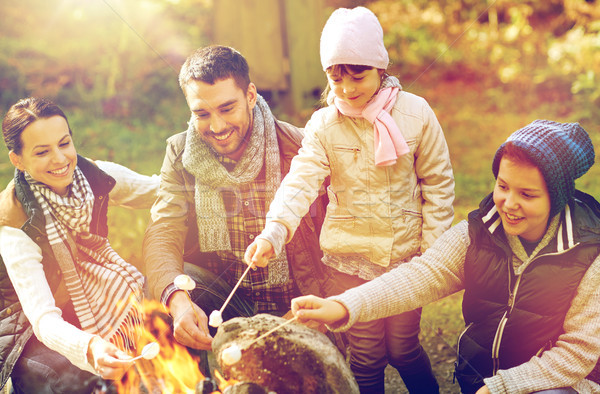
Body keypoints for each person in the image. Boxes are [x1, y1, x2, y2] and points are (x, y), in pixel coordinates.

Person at [291, 119, 600, 394]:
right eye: (502, 186)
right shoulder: (477, 234)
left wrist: (503, 388)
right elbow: (419, 276)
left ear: (556, 197)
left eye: (527, 194)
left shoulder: (589, 254)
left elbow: (576, 353)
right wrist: (343, 305)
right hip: (481, 381)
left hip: (553, 385)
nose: (508, 203)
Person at [245, 6, 454, 393]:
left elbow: (438, 184)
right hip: (350, 260)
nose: (347, 89)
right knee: (367, 353)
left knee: (404, 348)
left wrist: (433, 254)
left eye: (357, 76)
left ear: (379, 66)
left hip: (406, 257)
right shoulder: (325, 124)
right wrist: (275, 229)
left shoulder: (417, 114)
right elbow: (301, 180)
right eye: (335, 79)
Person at [142, 46, 327, 356]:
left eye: (227, 108)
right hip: (227, 304)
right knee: (164, 288)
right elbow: (163, 231)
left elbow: (340, 250)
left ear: (250, 96)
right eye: (202, 113)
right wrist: (177, 300)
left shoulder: (302, 149)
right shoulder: (180, 152)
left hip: (298, 310)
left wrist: (306, 316)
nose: (216, 127)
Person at [0, 97, 160, 393]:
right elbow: (43, 318)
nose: (60, 159)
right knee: (72, 380)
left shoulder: (93, 177)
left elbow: (160, 191)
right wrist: (90, 348)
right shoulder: (13, 224)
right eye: (42, 152)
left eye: (64, 143)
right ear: (18, 160)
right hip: (24, 324)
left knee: (164, 323)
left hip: (79, 299)